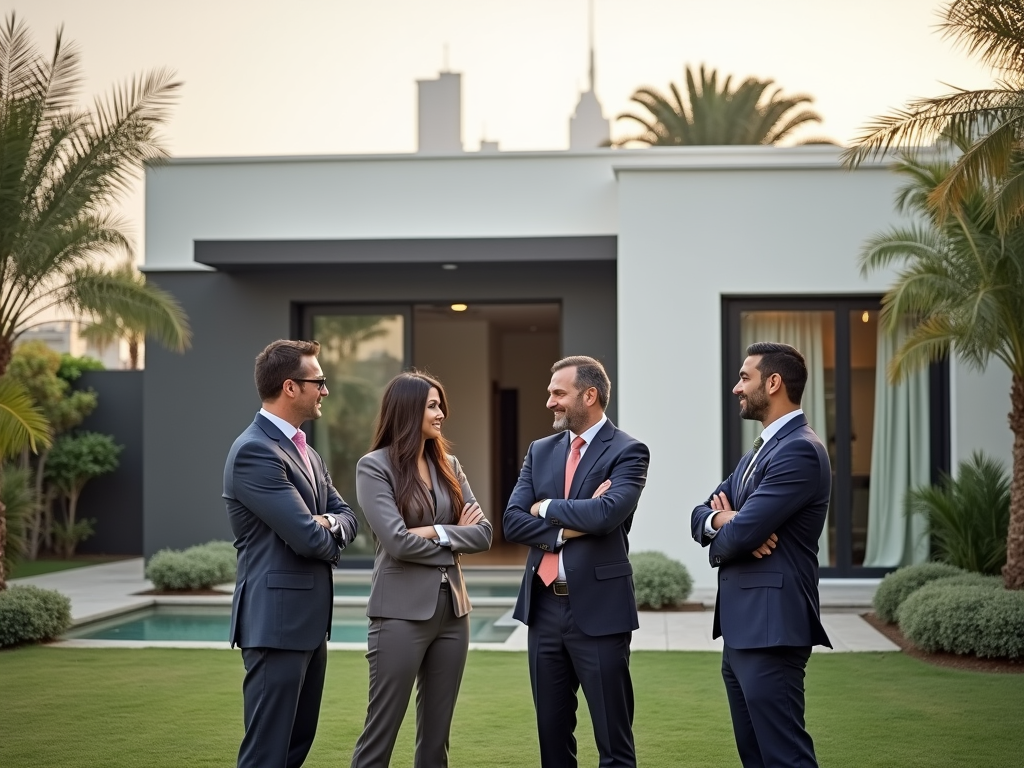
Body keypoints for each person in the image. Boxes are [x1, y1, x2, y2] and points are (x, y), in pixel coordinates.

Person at [503, 355, 650, 768]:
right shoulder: (540, 450)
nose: (549, 401)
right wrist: (572, 521)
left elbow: (607, 515)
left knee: (614, 742)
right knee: (552, 740)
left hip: (601, 612)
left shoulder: (629, 451)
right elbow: (512, 522)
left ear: (590, 395)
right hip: (544, 608)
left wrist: (545, 506)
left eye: (558, 393)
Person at [690, 341, 832, 768]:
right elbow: (700, 514)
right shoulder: (760, 450)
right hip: (742, 628)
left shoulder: (799, 450)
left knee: (784, 756)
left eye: (744, 377)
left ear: (773, 383)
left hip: (772, 627)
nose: (736, 387)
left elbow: (745, 533)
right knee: (755, 756)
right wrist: (725, 520)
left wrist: (740, 525)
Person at [224, 338, 359, 768]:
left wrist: (328, 521)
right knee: (267, 753)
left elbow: (347, 517)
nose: (325, 390)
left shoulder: (305, 450)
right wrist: (322, 525)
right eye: (318, 381)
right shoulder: (254, 452)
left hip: (307, 624)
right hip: (276, 624)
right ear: (289, 387)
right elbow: (308, 539)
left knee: (295, 747)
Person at [350, 371, 493, 768]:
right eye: (432, 405)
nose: (441, 412)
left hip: (454, 615)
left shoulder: (450, 464)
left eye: (440, 403)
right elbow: (396, 542)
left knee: (436, 739)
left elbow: (483, 534)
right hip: (398, 615)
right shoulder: (373, 467)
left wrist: (433, 531)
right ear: (409, 410)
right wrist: (454, 537)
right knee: (380, 733)